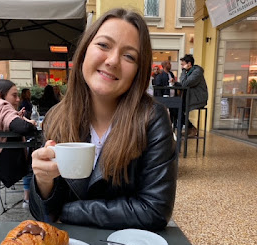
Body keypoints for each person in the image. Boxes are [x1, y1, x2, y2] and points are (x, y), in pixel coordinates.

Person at [29, 8, 177, 231]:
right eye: (103, 45)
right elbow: (42, 214)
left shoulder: (152, 119)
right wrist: (43, 181)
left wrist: (67, 210)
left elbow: (155, 211)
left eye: (129, 56)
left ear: (138, 71)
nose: (113, 60)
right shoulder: (56, 118)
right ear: (84, 51)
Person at [173, 54, 208, 137]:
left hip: (197, 99)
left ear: (189, 64)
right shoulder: (190, 71)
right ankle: (190, 128)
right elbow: (183, 83)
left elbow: (185, 84)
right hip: (189, 97)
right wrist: (175, 83)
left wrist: (183, 71)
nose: (181, 66)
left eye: (183, 64)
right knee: (173, 108)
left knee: (177, 108)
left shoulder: (197, 72)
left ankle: (191, 128)